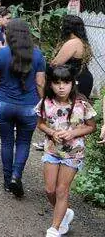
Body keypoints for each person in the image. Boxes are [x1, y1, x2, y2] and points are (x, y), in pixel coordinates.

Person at [0, 18, 46, 197]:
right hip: (29, 107)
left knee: (7, 142)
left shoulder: (1, 54)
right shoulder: (37, 55)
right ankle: (16, 177)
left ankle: (6, 180)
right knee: (24, 142)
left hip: (4, 105)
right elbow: (40, 83)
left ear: (8, 34)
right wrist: (45, 104)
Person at [36, 65, 96, 237]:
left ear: (73, 83)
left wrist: (72, 133)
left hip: (74, 152)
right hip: (52, 151)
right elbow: (40, 124)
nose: (61, 86)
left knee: (62, 190)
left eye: (66, 82)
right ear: (51, 85)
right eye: (57, 83)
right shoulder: (45, 103)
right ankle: (65, 213)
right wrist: (52, 132)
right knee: (49, 190)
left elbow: (91, 126)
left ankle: (55, 228)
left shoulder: (81, 103)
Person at [50, 15, 94, 98]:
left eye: (62, 26)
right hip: (83, 78)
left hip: (76, 80)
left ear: (67, 28)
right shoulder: (82, 42)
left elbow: (55, 63)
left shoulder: (73, 43)